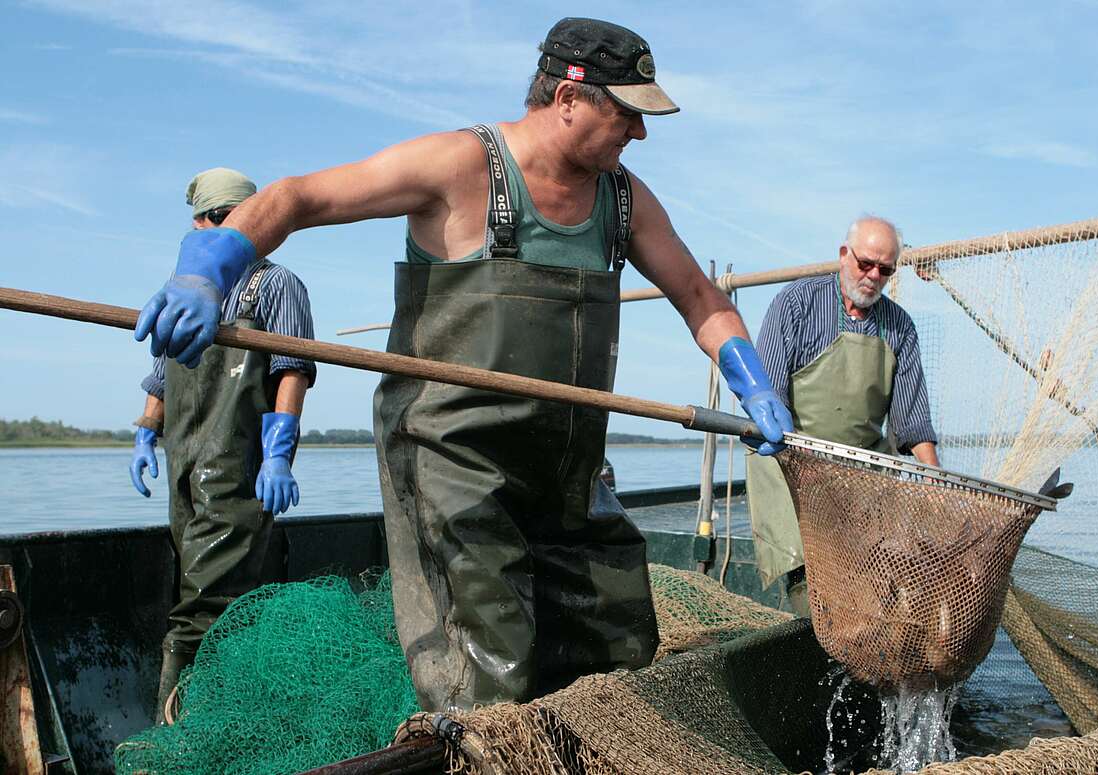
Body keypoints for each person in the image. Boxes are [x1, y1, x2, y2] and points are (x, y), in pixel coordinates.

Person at [132, 19, 794, 712]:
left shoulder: (624, 199)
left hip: (567, 467)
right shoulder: (460, 165)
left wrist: (750, 378)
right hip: (453, 461)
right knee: (492, 665)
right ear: (570, 96)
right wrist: (209, 268)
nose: (639, 133)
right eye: (626, 114)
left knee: (618, 638)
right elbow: (299, 197)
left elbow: (697, 295)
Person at [128, 167, 317, 720]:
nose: (212, 230)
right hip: (184, 463)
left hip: (236, 469)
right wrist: (144, 432)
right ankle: (219, 708)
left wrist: (279, 455)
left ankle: (182, 728)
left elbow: (292, 370)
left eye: (224, 221)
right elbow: (163, 374)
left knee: (205, 603)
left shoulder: (277, 285)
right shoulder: (184, 291)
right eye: (208, 222)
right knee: (194, 582)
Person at [748, 216, 939, 617]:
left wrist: (935, 481)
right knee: (814, 596)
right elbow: (769, 395)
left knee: (877, 592)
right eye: (865, 264)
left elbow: (911, 421)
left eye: (885, 270)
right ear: (842, 256)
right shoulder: (797, 303)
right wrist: (802, 462)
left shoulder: (899, 326)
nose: (872, 276)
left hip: (861, 481)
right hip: (791, 468)